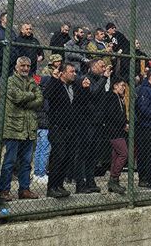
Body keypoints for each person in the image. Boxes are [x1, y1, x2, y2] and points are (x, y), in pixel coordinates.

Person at [0, 57, 44, 201]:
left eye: (28, 65)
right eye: (22, 65)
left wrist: (26, 101)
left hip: (29, 128)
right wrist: (30, 96)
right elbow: (17, 97)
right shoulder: (10, 81)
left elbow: (40, 100)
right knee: (9, 162)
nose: (25, 68)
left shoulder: (32, 81)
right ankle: (4, 190)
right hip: (13, 127)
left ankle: (24, 189)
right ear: (16, 67)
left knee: (26, 162)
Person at [74, 59, 110, 193]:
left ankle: (90, 181)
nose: (103, 68)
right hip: (86, 122)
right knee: (83, 153)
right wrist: (104, 78)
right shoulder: (86, 79)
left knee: (93, 154)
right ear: (93, 66)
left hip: (98, 122)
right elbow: (93, 92)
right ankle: (80, 183)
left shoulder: (101, 80)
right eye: (101, 66)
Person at [45, 62, 78, 198]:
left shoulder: (72, 87)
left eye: (75, 71)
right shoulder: (57, 85)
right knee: (58, 156)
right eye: (71, 71)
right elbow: (47, 94)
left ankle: (59, 185)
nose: (74, 74)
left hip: (70, 128)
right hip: (57, 127)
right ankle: (51, 186)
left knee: (66, 157)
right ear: (63, 73)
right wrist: (54, 79)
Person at [105, 77, 129, 195]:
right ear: (115, 86)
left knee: (116, 155)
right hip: (114, 130)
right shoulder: (111, 97)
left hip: (119, 130)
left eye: (124, 86)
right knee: (124, 153)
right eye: (121, 85)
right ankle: (114, 178)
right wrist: (123, 124)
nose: (123, 88)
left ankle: (114, 181)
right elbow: (112, 114)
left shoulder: (120, 99)